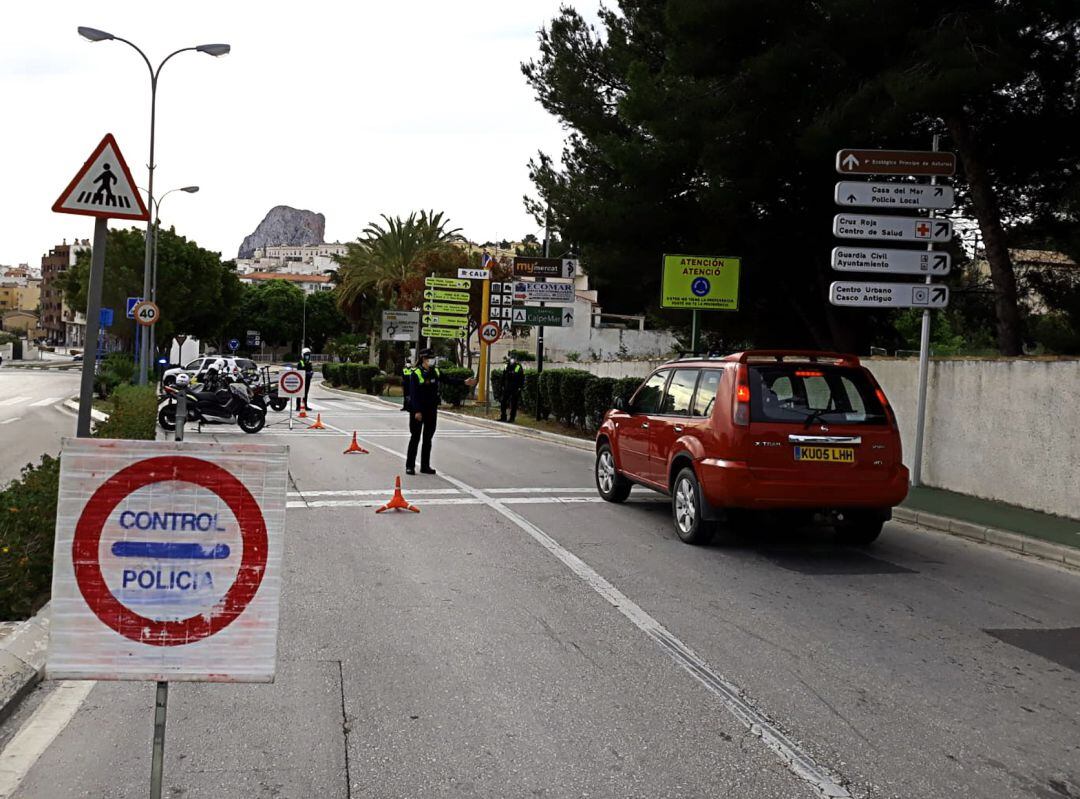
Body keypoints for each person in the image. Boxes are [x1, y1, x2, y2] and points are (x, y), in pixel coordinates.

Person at [404, 348, 476, 475]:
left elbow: (448, 380)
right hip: (418, 411)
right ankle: (410, 466)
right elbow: (414, 394)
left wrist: (464, 382)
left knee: (428, 439)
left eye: (432, 358)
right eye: (429, 359)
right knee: (415, 438)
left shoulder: (435, 371)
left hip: (431, 409)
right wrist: (417, 411)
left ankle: (425, 466)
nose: (432, 361)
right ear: (423, 359)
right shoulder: (416, 373)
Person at [499, 355, 525, 423]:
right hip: (507, 387)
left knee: (514, 403)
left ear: (516, 359)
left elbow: (517, 375)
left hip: (515, 387)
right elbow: (504, 375)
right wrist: (502, 385)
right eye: (511, 358)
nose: (512, 360)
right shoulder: (506, 365)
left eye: (513, 359)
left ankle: (512, 418)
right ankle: (503, 416)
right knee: (503, 401)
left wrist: (520, 387)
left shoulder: (518, 366)